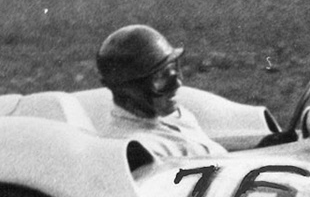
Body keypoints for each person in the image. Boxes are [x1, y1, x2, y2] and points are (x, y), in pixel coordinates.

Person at [94, 24, 223, 159]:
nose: (177, 83)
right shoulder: (137, 149)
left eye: (174, 69)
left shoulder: (178, 116)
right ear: (126, 90)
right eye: (160, 77)